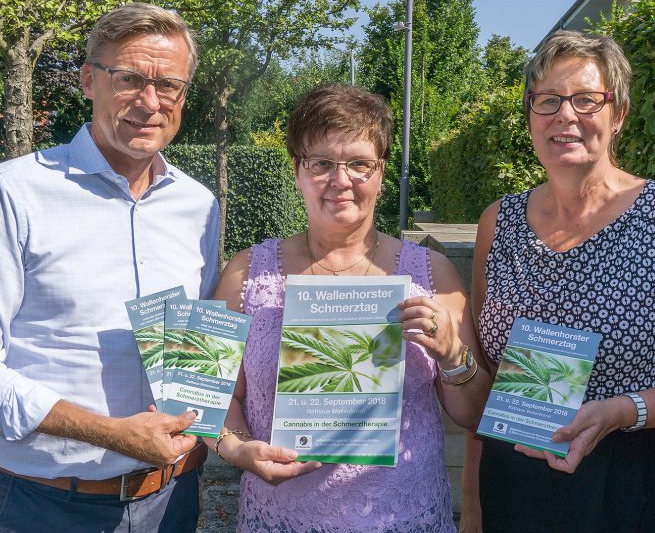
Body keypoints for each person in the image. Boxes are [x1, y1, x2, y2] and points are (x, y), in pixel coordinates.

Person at [0, 3, 218, 532]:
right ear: (89, 80)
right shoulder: (14, 191)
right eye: (130, 78)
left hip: (172, 501)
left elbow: (196, 346)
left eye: (170, 85)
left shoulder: (199, 205)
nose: (150, 102)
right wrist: (111, 433)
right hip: (45, 507)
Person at [461, 30, 655, 533]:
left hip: (630, 483)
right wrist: (472, 508)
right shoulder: (500, 221)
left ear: (617, 114)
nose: (565, 115)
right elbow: (492, 379)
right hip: (514, 482)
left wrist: (622, 410)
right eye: (548, 100)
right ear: (530, 115)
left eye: (586, 100)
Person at [207, 83, 492, 532]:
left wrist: (454, 358)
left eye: (360, 164)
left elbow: (475, 414)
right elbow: (213, 393)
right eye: (321, 163)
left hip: (404, 519)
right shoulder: (246, 273)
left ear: (381, 172)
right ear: (297, 172)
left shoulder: (431, 274)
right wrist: (237, 447)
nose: (341, 181)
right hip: (280, 518)